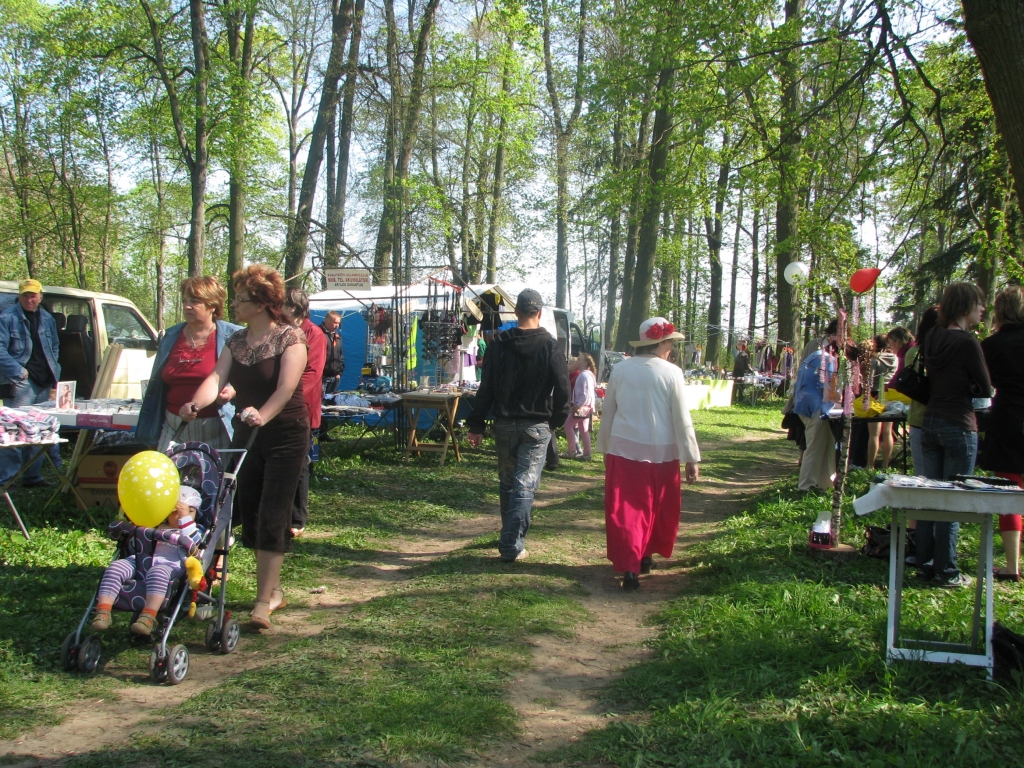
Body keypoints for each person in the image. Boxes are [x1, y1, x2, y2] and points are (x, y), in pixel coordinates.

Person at [180, 265, 309, 628]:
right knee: (249, 510)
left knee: (273, 512)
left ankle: (263, 601)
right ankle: (275, 590)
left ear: (262, 303)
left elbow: (285, 389)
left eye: (240, 299)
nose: (234, 305)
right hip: (247, 434)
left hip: (285, 433)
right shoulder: (236, 341)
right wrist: (195, 404)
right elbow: (215, 378)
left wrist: (261, 415)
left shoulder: (290, 338)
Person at [466, 289, 571, 563]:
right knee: (524, 485)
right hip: (536, 424)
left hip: (505, 423)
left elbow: (486, 389)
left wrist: (476, 425)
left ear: (517, 312)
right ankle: (511, 544)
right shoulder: (550, 346)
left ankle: (509, 537)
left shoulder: (499, 345)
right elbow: (563, 390)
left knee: (508, 483)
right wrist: (555, 422)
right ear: (539, 312)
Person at [597, 317, 700, 590]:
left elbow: (609, 412)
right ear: (661, 343)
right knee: (656, 506)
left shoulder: (621, 369)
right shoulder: (672, 372)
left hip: (624, 449)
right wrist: (690, 457)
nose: (671, 349)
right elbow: (681, 418)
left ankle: (634, 561)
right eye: (670, 343)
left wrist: (605, 447)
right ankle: (641, 557)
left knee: (627, 510)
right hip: (662, 451)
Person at [917, 282, 991, 588]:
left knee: (929, 497)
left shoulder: (932, 336)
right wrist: (971, 385)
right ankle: (946, 570)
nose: (983, 309)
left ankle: (924, 561)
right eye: (979, 304)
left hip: (931, 420)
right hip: (958, 422)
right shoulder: (967, 342)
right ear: (966, 306)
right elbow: (985, 387)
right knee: (952, 499)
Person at [136, 276, 241, 451]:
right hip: (172, 426)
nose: (187, 306)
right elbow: (159, 384)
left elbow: (251, 378)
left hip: (217, 427)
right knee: (166, 469)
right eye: (185, 301)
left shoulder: (234, 335)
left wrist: (233, 390)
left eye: (195, 301)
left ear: (212, 305)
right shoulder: (170, 336)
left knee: (213, 470)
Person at [90, 485, 203, 635]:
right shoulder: (156, 525)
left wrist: (185, 519)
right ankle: (103, 611)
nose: (181, 515)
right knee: (115, 567)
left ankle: (148, 617)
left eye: (190, 511)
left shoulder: (194, 530)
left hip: (169, 565)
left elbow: (195, 543)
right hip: (141, 559)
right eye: (175, 511)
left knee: (158, 573)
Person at [979, 286, 1024, 581]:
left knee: (1009, 490)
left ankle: (1011, 565)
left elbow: (985, 383)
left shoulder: (991, 345)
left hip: (1008, 417)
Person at [0, 278, 62, 488]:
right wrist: (19, 372)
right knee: (14, 432)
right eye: (26, 295)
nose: (29, 299)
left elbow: (55, 346)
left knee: (38, 431)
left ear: (40, 297)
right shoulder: (7, 318)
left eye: (33, 295)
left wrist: (53, 369)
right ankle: (8, 480)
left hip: (44, 381)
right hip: (20, 382)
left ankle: (32, 477)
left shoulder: (47, 318)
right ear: (19, 297)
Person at [283, 289, 326, 539]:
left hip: (302, 408)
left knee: (299, 464)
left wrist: (286, 393)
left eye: (282, 305)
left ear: (295, 308)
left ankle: (297, 519)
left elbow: (313, 373)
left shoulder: (315, 334)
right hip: (277, 407)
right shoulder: (280, 331)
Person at [792, 328, 837, 492]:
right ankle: (806, 486)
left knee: (827, 445)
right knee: (815, 447)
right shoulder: (828, 359)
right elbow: (828, 386)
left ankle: (825, 483)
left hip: (804, 404)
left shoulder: (813, 356)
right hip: (817, 406)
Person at [904, 307, 940, 474]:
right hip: (923, 419)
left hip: (921, 419)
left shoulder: (913, 352)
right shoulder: (916, 353)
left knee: (924, 474)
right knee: (925, 476)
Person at [866, 334, 898, 469]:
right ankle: (885, 465)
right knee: (887, 432)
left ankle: (870, 465)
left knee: (874, 433)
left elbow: (869, 379)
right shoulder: (895, 358)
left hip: (875, 394)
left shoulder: (875, 359)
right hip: (890, 394)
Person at [563, 353, 597, 460]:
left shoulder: (584, 375)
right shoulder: (587, 375)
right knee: (583, 429)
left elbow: (586, 393)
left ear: (585, 363)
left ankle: (571, 451)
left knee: (568, 425)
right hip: (586, 407)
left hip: (582, 407)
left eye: (579, 359)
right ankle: (587, 453)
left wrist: (578, 405)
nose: (577, 361)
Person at [318, 311, 344, 441]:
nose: (337, 325)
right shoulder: (318, 334)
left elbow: (340, 355)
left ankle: (323, 433)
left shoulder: (336, 336)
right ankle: (315, 434)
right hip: (322, 377)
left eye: (338, 323)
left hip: (334, 376)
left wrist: (339, 372)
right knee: (319, 405)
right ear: (327, 320)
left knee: (328, 406)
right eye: (335, 322)